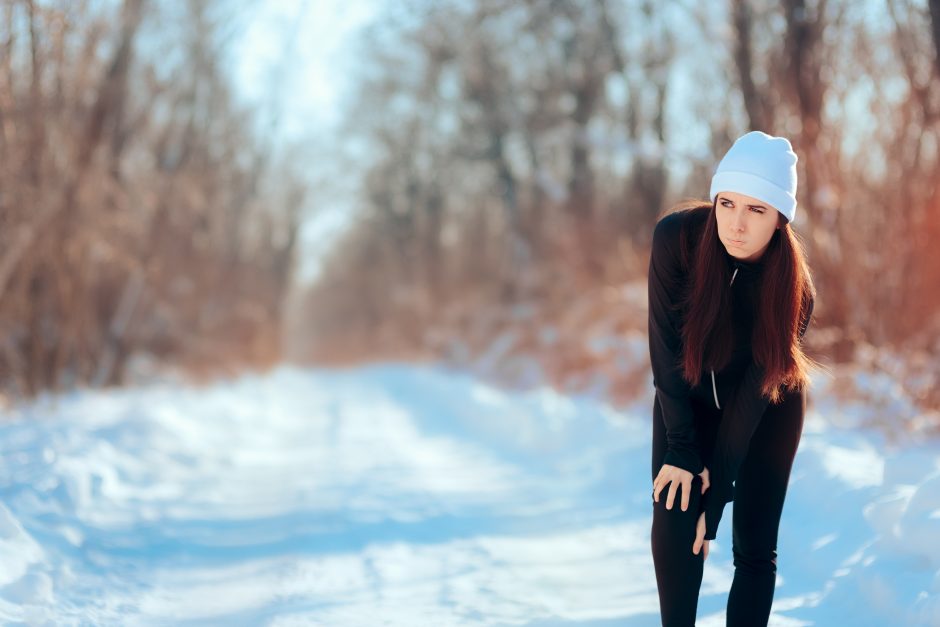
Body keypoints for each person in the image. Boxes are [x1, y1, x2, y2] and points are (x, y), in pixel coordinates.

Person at [647, 130, 819, 627]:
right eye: (727, 203)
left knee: (755, 546)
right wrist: (682, 448)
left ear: (780, 218)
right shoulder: (676, 240)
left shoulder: (794, 291)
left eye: (756, 210)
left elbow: (753, 394)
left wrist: (718, 489)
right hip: (688, 398)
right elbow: (664, 351)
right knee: (676, 518)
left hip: (766, 409)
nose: (736, 225)